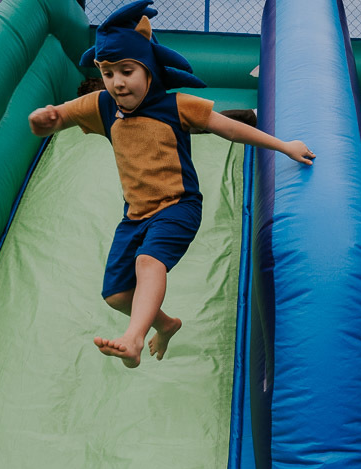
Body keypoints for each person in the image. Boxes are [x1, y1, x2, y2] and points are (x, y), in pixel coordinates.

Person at [28, 0, 314, 368]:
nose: (117, 82)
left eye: (127, 71)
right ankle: (166, 324)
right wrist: (45, 120)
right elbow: (61, 116)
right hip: (135, 216)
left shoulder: (174, 105)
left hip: (178, 206)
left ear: (148, 70)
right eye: (109, 72)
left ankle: (133, 339)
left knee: (148, 262)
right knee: (116, 294)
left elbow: (228, 127)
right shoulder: (101, 105)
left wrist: (283, 146)